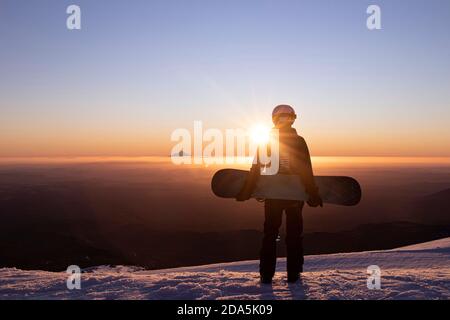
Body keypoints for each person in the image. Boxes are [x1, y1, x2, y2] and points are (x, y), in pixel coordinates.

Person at [236, 105, 323, 284]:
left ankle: (266, 275)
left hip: (273, 198)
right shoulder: (299, 141)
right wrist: (312, 194)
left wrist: (247, 191)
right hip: (294, 198)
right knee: (294, 235)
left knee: (270, 234)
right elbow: (306, 170)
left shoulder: (266, 141)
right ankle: (293, 274)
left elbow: (256, 170)